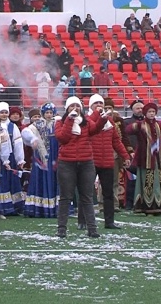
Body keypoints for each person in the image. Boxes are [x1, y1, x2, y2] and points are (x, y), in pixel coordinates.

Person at [55, 96, 108, 238]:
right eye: (72, 106)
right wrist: (69, 120)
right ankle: (61, 229)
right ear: (67, 109)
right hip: (67, 162)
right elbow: (63, 138)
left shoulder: (86, 122)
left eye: (77, 106)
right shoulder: (60, 122)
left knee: (87, 197)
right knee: (66, 197)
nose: (75, 108)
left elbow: (95, 130)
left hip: (86, 162)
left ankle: (92, 229)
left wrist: (102, 119)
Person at [87, 94, 131, 229]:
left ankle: (109, 221)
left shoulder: (110, 122)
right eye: (96, 104)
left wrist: (125, 156)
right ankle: (84, 220)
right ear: (90, 106)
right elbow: (91, 129)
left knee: (109, 193)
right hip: (90, 161)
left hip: (107, 161)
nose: (99, 106)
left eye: (101, 104)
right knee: (87, 192)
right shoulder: (86, 119)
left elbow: (116, 141)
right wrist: (98, 115)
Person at [126, 103, 161, 215]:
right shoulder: (141, 124)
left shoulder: (160, 124)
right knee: (147, 182)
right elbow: (128, 129)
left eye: (153, 112)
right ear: (145, 113)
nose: (151, 114)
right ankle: (146, 206)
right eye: (149, 112)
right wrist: (139, 126)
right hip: (146, 159)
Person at [22, 103, 59, 218]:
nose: (48, 115)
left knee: (55, 179)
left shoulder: (57, 124)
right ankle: (39, 208)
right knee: (40, 179)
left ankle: (55, 208)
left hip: (55, 156)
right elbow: (25, 132)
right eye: (46, 112)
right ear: (43, 113)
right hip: (41, 157)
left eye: (50, 112)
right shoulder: (37, 125)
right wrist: (32, 139)